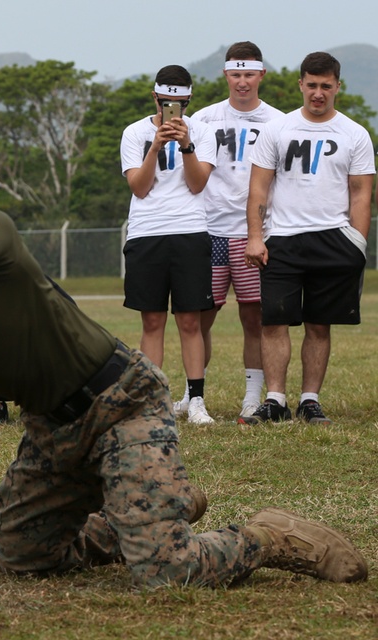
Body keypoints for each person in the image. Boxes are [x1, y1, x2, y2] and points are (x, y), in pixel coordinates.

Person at [0, 172, 368, 591]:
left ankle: (269, 536)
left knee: (166, 572)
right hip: (54, 426)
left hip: (122, 402)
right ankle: (148, 508)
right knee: (26, 557)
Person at [240, 52, 375, 426]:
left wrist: (357, 243)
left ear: (337, 87)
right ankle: (275, 399)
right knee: (274, 322)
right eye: (312, 85)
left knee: (319, 323)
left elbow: (362, 194)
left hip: (333, 239)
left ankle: (310, 400)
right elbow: (258, 188)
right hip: (281, 239)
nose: (318, 93)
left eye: (326, 86)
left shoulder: (354, 133)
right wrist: (255, 236)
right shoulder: (277, 129)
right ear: (301, 84)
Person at [177, 42, 283, 421]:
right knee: (200, 317)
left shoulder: (279, 122)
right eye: (236, 74)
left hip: (255, 232)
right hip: (210, 231)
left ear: (261, 75)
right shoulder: (203, 120)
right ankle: (193, 394)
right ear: (226, 75)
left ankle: (252, 397)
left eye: (249, 74)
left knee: (254, 318)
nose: (242, 82)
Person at [120, 65, 217, 425]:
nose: (170, 109)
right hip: (147, 233)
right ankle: (152, 399)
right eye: (165, 102)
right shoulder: (133, 133)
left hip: (190, 230)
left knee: (191, 320)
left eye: (178, 102)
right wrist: (156, 146)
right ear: (155, 97)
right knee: (153, 320)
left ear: (189, 100)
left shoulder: (204, 132)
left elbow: (197, 184)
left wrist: (186, 145)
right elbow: (139, 187)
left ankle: (196, 399)